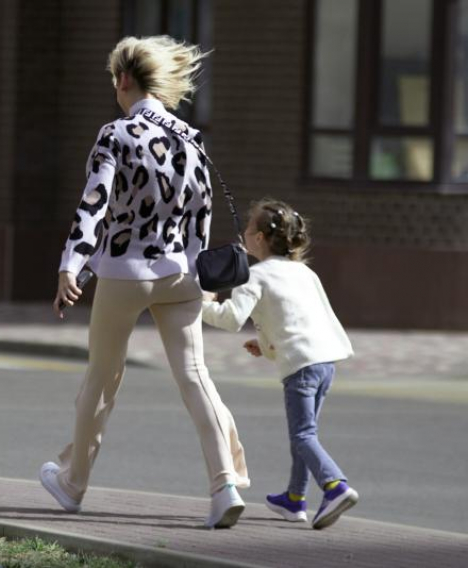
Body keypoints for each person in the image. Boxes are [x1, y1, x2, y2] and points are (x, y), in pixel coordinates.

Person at [39, 36, 250, 529]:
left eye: (114, 78)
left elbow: (94, 203)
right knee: (195, 377)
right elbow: (202, 212)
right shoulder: (193, 138)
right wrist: (200, 274)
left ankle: (73, 486)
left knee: (102, 378)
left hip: (123, 272)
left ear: (125, 80)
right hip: (181, 274)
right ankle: (225, 486)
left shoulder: (115, 133)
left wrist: (72, 264)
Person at [202, 199, 358, 530]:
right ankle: (294, 499)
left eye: (246, 229)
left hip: (301, 368)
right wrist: (268, 346)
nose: (243, 234)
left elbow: (231, 319)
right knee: (305, 434)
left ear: (259, 237)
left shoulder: (254, 275)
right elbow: (300, 321)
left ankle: (335, 486)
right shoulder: (304, 272)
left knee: (303, 435)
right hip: (325, 361)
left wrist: (201, 306)